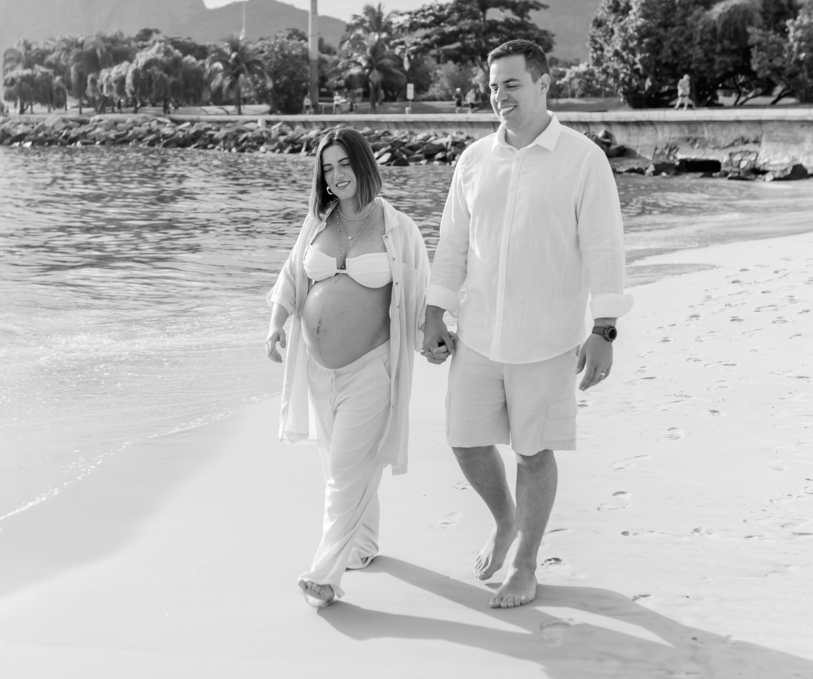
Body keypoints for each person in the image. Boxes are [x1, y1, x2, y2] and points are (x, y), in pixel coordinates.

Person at [421, 39, 633, 609]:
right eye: (492, 87)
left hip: (548, 338)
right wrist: (432, 311)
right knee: (465, 441)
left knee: (534, 452)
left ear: (543, 84)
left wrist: (604, 328)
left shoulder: (583, 159)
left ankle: (526, 563)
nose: (499, 97)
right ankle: (504, 520)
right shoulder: (473, 160)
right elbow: (453, 246)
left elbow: (604, 249)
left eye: (511, 84)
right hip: (479, 334)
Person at [265, 127, 429, 609]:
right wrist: (275, 325)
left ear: (363, 164)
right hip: (318, 371)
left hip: (370, 369)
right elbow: (292, 275)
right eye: (327, 167)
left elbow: (419, 293)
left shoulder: (398, 228)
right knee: (344, 463)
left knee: (344, 471)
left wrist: (436, 335)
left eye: (344, 164)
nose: (336, 176)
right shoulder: (317, 221)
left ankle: (325, 575)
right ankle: (363, 544)